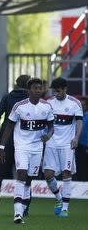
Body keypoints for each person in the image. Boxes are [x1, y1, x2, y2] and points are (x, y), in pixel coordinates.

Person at [0, 78, 54, 224]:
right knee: (21, 174)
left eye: (40, 88)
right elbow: (8, 126)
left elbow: (51, 126)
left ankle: (23, 208)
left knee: (29, 179)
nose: (38, 91)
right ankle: (17, 213)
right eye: (35, 88)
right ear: (29, 90)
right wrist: (2, 147)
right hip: (21, 146)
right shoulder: (19, 106)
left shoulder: (46, 107)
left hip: (37, 148)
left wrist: (48, 135)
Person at [0, 74, 30, 216]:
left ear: (15, 84)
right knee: (24, 174)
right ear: (29, 85)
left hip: (6, 140)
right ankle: (24, 206)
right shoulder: (30, 100)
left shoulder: (8, 97)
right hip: (24, 141)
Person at [43, 77, 83, 217]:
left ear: (65, 89)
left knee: (66, 173)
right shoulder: (48, 103)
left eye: (58, 91)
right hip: (51, 144)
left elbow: (79, 122)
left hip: (67, 144)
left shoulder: (74, 103)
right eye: (54, 91)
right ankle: (59, 198)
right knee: (48, 174)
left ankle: (65, 208)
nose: (56, 94)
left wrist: (76, 137)